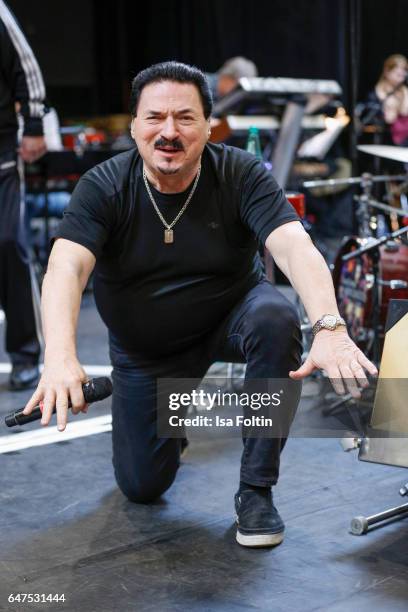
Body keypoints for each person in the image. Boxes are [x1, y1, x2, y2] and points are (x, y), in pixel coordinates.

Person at [23, 61, 377, 548]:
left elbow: (294, 246)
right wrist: (60, 357)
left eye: (185, 118)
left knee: (275, 318)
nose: (169, 131)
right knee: (142, 489)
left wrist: (330, 328)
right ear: (134, 126)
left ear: (209, 126)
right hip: (147, 349)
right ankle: (172, 408)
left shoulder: (240, 172)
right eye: (155, 117)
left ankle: (255, 490)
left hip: (228, 319)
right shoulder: (104, 185)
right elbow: (66, 266)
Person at [0, 0, 47, 389]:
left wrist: (33, 124)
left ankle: (25, 353)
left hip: (0, 158)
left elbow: (25, 67)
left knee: (10, 244)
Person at [375, 54, 408, 146]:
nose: (401, 77)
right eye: (398, 73)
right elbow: (389, 118)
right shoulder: (379, 91)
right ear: (387, 71)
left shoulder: (404, 90)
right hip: (387, 137)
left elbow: (405, 111)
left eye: (404, 71)